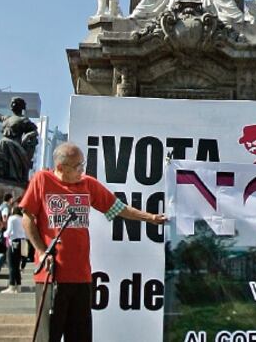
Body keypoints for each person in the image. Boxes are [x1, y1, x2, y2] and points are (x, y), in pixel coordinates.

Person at [21, 142, 166, 342]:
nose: (82, 170)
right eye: (77, 166)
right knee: (47, 336)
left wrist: (149, 217)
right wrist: (41, 250)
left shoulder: (87, 184)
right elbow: (27, 217)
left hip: (81, 276)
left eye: (83, 164)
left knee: (80, 336)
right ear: (61, 167)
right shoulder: (42, 180)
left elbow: (118, 208)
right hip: (51, 275)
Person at [2, 206, 27, 294]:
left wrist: (4, 234)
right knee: (17, 265)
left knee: (12, 265)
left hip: (14, 241)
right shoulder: (23, 218)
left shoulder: (12, 218)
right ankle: (18, 285)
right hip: (23, 242)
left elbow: (9, 231)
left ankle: (12, 285)